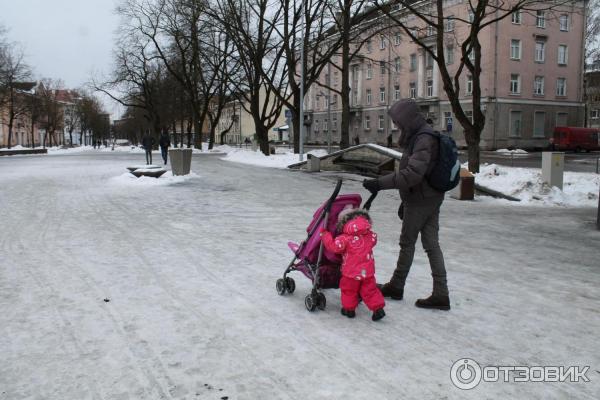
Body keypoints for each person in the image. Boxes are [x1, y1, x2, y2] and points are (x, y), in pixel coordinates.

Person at [362, 98, 450, 311]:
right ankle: (441, 293)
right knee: (431, 245)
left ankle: (397, 285)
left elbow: (412, 175)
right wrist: (406, 199)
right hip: (429, 197)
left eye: (399, 122)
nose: (398, 126)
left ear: (409, 119)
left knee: (407, 243)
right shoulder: (422, 135)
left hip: (421, 200)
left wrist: (379, 184)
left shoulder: (423, 139)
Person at [320, 207, 386, 321]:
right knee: (371, 291)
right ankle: (378, 309)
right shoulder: (369, 235)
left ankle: (349, 310)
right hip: (368, 272)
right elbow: (374, 239)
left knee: (349, 291)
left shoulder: (344, 238)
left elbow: (334, 247)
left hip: (350, 273)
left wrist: (325, 235)